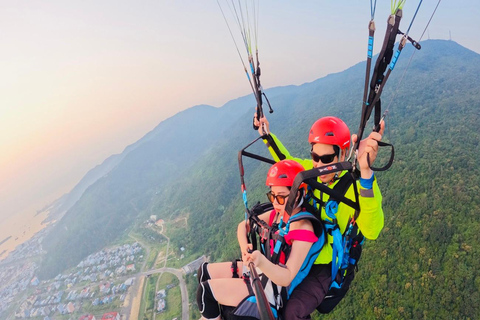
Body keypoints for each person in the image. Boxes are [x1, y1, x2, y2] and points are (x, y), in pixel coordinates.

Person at [254, 115, 384, 319]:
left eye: (326, 159)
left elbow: (372, 230)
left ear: (342, 154)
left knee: (291, 313)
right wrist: (267, 136)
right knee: (270, 299)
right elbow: (286, 163)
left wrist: (366, 173)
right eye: (315, 157)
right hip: (304, 250)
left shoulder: (353, 188)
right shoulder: (311, 170)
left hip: (324, 265)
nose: (320, 165)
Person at [196, 160, 324, 320]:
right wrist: (245, 249)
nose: (275, 203)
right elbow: (243, 226)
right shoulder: (278, 215)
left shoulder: (303, 228)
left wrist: (261, 261)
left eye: (281, 197)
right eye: (272, 196)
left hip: (272, 291)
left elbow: (287, 277)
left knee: (205, 293)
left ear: (297, 194)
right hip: (259, 270)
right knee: (204, 272)